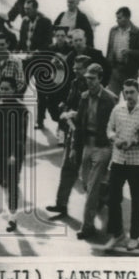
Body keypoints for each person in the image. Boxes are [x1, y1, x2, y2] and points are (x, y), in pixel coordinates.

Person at [104, 78, 139, 251]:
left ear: (138, 92)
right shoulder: (117, 109)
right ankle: (117, 233)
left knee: (137, 200)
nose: (129, 96)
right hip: (118, 160)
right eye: (126, 92)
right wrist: (115, 139)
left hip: (138, 163)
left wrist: (136, 141)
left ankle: (134, 236)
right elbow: (109, 129)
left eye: (132, 92)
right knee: (112, 198)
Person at [72, 63, 119, 241]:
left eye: (92, 79)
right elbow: (78, 125)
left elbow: (116, 125)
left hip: (103, 146)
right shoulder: (84, 97)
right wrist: (74, 149)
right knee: (85, 182)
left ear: (100, 78)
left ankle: (88, 226)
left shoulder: (110, 99)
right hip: (87, 144)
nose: (89, 82)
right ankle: (104, 193)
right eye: (87, 79)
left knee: (91, 188)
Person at [44, 53, 93, 219]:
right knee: (67, 169)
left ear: (87, 69)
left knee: (89, 176)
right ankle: (61, 204)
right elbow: (71, 102)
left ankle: (103, 197)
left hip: (88, 135)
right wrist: (64, 107)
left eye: (79, 69)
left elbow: (90, 111)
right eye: (75, 68)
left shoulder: (92, 86)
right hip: (74, 130)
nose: (75, 71)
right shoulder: (74, 83)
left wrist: (73, 112)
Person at [0, 76, 30, 237]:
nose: (3, 91)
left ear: (14, 90)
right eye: (1, 88)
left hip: (12, 156)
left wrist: (14, 155)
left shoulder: (22, 110)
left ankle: (13, 217)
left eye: (7, 89)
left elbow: (21, 137)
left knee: (12, 186)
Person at [17, 0, 54, 129]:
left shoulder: (46, 22)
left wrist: (37, 52)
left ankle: (40, 119)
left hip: (40, 61)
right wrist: (17, 52)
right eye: (25, 8)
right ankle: (17, 116)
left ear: (35, 8)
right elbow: (21, 40)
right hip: (26, 60)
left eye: (28, 9)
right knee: (20, 87)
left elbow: (48, 41)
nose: (26, 11)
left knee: (41, 92)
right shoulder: (25, 21)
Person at [105, 7, 139, 96]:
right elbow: (109, 50)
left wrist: (129, 52)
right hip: (115, 70)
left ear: (127, 18)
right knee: (111, 98)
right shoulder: (113, 30)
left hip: (130, 72)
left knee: (130, 100)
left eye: (119, 18)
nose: (117, 20)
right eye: (117, 18)